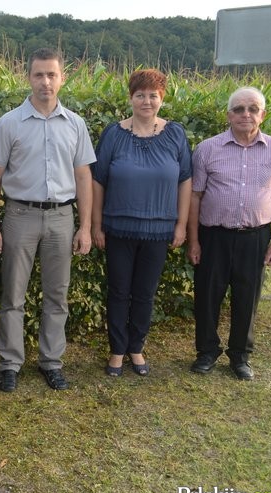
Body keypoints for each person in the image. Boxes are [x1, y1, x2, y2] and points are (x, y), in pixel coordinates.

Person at [0, 48, 95, 392]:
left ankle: (51, 362)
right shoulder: (9, 123)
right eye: (39, 74)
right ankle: (10, 363)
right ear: (28, 77)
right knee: (13, 293)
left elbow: (83, 179)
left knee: (57, 294)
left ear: (62, 78)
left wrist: (86, 226)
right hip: (20, 215)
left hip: (62, 218)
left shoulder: (76, 124)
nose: (45, 81)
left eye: (52, 74)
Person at [186, 86, 271, 380]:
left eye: (252, 108)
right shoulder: (208, 148)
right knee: (207, 295)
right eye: (238, 109)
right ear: (228, 115)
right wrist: (194, 240)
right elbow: (194, 196)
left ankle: (240, 356)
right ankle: (207, 352)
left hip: (256, 237)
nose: (245, 114)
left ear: (263, 114)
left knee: (248, 297)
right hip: (214, 236)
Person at [92, 69, 192, 377]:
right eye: (140, 95)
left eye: (153, 95)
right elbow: (97, 181)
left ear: (162, 98)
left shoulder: (175, 134)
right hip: (118, 228)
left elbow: (185, 181)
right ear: (131, 98)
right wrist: (95, 225)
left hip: (159, 230)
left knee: (145, 293)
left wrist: (181, 225)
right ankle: (117, 351)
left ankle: (136, 347)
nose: (146, 101)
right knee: (119, 291)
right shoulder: (113, 134)